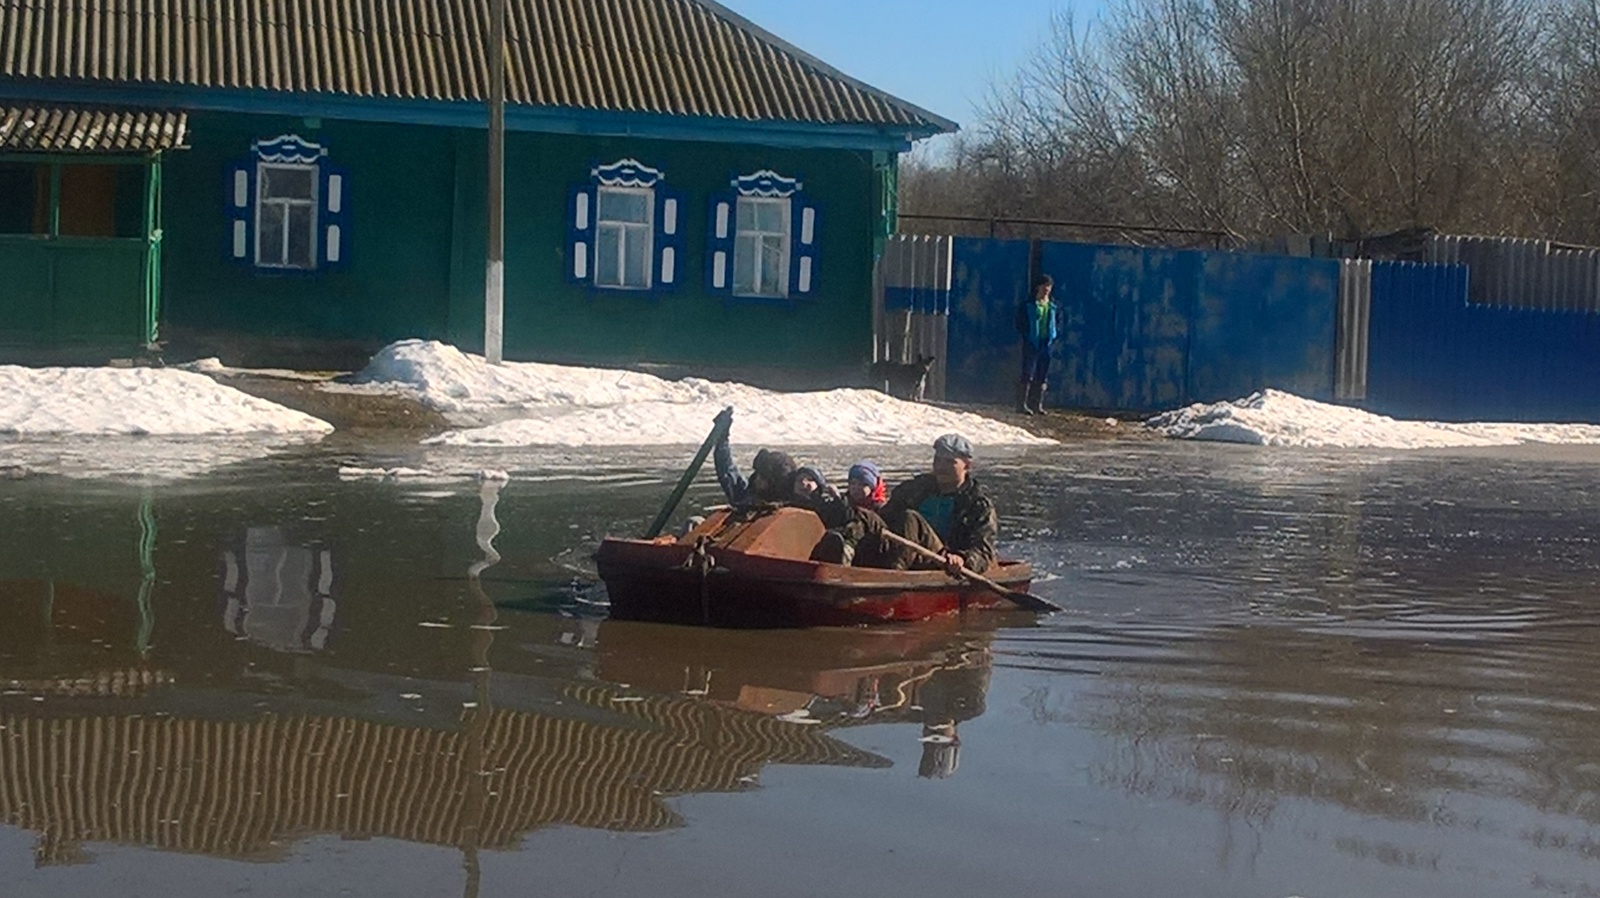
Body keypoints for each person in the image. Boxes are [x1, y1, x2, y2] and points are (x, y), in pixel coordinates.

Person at [861, 433, 998, 574]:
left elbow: (983, 551)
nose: (941, 467)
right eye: (937, 460)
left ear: (967, 466)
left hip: (941, 561)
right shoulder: (914, 489)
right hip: (904, 553)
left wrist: (962, 558)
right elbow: (885, 518)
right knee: (864, 516)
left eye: (949, 462)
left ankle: (891, 579)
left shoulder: (978, 505)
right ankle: (845, 564)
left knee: (911, 519)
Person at [711, 408, 795, 507]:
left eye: (763, 478)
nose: (757, 480)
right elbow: (727, 470)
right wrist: (722, 438)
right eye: (758, 475)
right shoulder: (745, 495)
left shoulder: (794, 505)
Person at [1014, 273, 1059, 415]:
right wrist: (1027, 336)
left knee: (1042, 374)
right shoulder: (1028, 305)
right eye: (1044, 285)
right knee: (1027, 372)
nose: (1046, 289)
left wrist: (1053, 335)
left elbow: (1057, 321)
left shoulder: (1052, 306)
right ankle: (1021, 404)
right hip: (1032, 342)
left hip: (1046, 342)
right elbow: (1020, 322)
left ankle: (1037, 404)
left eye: (1049, 286)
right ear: (1037, 287)